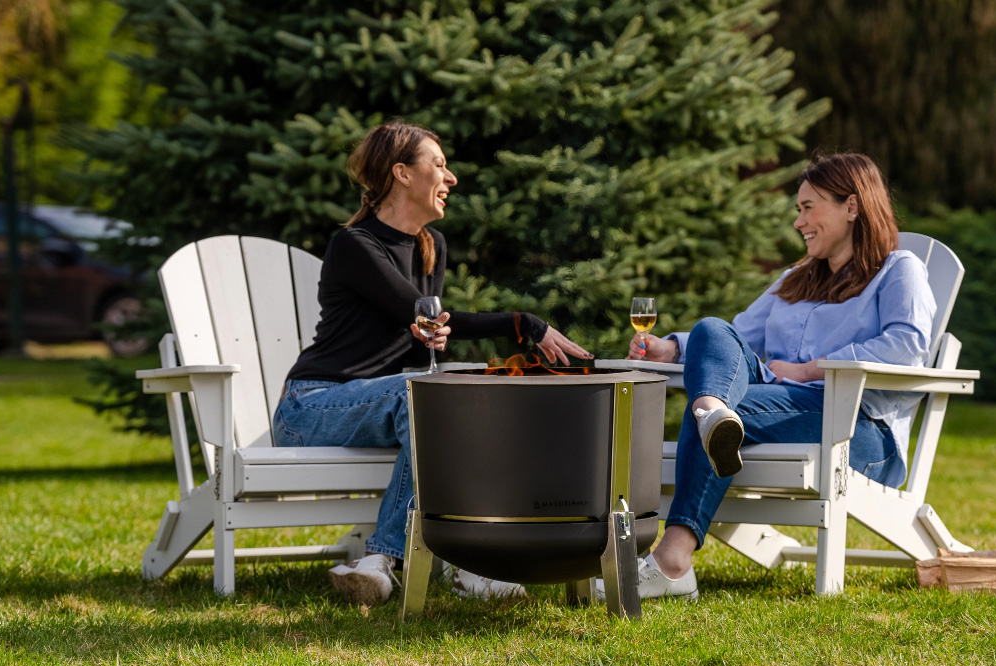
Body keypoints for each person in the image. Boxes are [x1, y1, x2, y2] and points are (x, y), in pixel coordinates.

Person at [273, 121, 592, 606]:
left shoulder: (430, 246)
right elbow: (417, 312)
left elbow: (422, 335)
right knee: (420, 395)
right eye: (438, 165)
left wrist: (432, 336)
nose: (452, 178)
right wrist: (521, 322)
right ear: (401, 173)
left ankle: (439, 566)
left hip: (385, 401)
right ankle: (408, 559)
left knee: (446, 399)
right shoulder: (356, 245)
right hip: (312, 407)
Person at [618, 152, 935, 599]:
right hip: (780, 407)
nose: (798, 221)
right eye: (797, 209)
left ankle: (672, 561)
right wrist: (670, 348)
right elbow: (736, 337)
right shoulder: (797, 278)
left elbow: (907, 346)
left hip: (858, 429)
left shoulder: (898, 270)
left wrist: (809, 369)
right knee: (712, 329)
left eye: (809, 207)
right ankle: (711, 414)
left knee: (722, 406)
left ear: (852, 206)